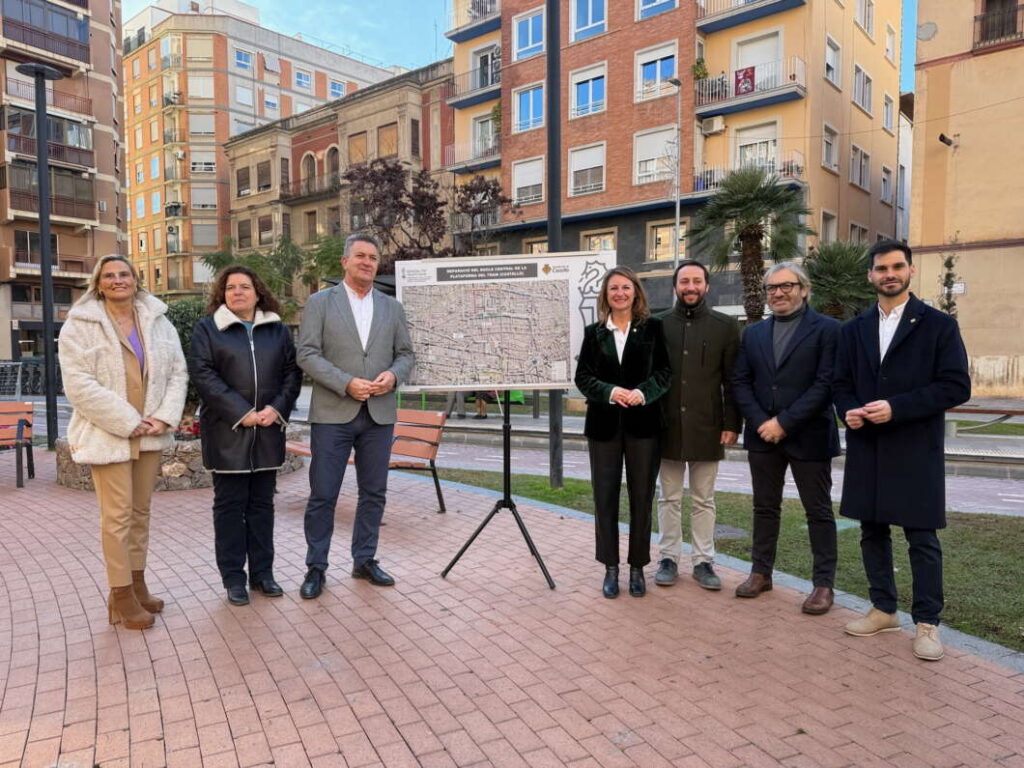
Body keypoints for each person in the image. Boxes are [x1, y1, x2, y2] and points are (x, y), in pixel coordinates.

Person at [834, 240, 970, 661]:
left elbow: (956, 386)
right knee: (872, 531)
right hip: (868, 446)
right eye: (881, 268)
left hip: (914, 447)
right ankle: (883, 608)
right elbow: (840, 384)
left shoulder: (938, 325)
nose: (889, 274)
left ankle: (927, 623)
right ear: (870, 275)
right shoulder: (853, 329)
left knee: (921, 537)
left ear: (910, 271)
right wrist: (847, 411)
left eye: (896, 267)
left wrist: (897, 407)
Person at [58, 255, 187, 630]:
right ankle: (120, 595)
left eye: (124, 274)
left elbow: (177, 372)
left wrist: (164, 416)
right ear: (98, 284)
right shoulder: (80, 325)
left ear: (135, 279)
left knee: (140, 513)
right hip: (109, 434)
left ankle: (137, 583)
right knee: (116, 518)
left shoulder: (158, 320)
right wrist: (127, 421)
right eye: (109, 276)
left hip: (150, 433)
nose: (118, 280)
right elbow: (78, 385)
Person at [296, 233, 415, 598]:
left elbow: (406, 354)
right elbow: (307, 354)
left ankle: (364, 560)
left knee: (374, 493)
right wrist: (345, 383)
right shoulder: (320, 302)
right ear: (345, 261)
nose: (367, 262)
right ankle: (316, 567)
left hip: (379, 414)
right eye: (360, 255)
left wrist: (393, 375)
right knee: (323, 493)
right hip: (333, 413)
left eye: (373, 257)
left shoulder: (392, 307)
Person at [188, 266, 302, 606]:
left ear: (258, 292)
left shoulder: (277, 330)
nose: (237, 292)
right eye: (230, 287)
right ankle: (234, 579)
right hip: (227, 433)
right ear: (222, 294)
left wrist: (276, 409)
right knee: (229, 508)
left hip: (267, 431)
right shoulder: (208, 329)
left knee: (262, 507)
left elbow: (291, 374)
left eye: (244, 286)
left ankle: (263, 574)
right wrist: (242, 412)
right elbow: (203, 375)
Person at [731, 262, 840, 614]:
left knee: (818, 511)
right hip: (763, 436)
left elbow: (826, 384)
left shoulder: (828, 330)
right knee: (764, 507)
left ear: (804, 290)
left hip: (810, 435)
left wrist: (784, 423)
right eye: (771, 288)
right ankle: (761, 572)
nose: (778, 293)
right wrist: (762, 422)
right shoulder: (753, 333)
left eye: (786, 286)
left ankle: (823, 584)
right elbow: (740, 381)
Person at [575, 267, 671, 598]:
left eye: (625, 287)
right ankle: (611, 568)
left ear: (635, 292)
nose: (620, 293)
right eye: (613, 288)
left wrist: (642, 393)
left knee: (642, 498)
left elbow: (664, 373)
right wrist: (610, 391)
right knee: (604, 498)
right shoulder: (594, 333)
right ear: (606, 295)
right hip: (603, 427)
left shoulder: (653, 328)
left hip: (644, 426)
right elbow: (583, 377)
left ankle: (637, 568)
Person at [655, 260, 741, 590]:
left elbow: (732, 381)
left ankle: (704, 561)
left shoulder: (725, 326)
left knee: (704, 499)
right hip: (666, 426)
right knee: (669, 498)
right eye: (684, 281)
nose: (690, 287)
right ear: (675, 286)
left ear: (707, 286)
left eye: (696, 281)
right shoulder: (657, 324)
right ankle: (668, 558)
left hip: (708, 427)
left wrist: (732, 423)